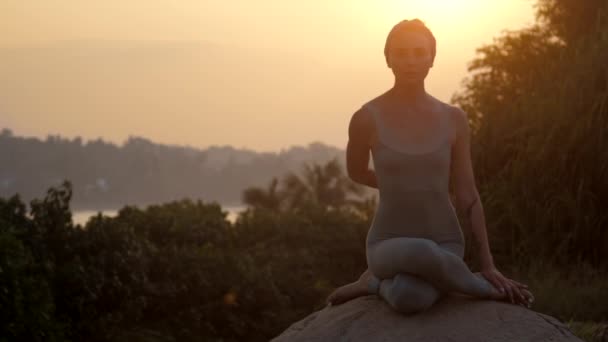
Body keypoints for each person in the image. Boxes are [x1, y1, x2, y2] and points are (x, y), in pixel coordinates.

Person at [325, 19, 534, 314]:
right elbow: (356, 171)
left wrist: (488, 264)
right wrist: (402, 184)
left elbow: (467, 195)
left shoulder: (454, 119)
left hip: (445, 241)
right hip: (387, 243)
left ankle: (372, 284)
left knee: (410, 298)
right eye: (401, 53)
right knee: (421, 252)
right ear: (388, 59)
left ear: (432, 58)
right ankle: (483, 290)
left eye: (418, 52)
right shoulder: (365, 118)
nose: (410, 61)